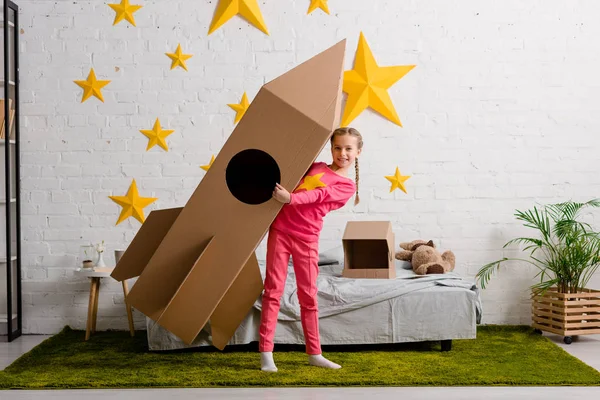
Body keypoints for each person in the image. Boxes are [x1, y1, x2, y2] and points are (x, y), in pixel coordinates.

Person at [259, 127, 364, 372]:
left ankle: (314, 353)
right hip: (281, 232)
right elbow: (291, 170)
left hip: (307, 238)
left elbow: (319, 195)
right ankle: (266, 352)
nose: (342, 153)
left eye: (348, 148)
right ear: (331, 148)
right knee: (272, 290)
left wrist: (291, 199)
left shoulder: (346, 187)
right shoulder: (316, 166)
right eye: (337, 147)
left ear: (358, 152)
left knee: (308, 296)